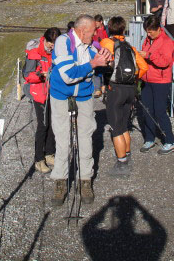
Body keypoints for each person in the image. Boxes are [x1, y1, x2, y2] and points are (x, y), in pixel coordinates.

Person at [49, 15, 112, 206]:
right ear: (82, 30)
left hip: (84, 96)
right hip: (61, 95)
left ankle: (85, 180)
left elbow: (102, 67)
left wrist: (106, 61)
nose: (96, 34)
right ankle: (60, 181)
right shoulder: (62, 42)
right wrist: (94, 63)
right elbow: (68, 75)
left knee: (85, 137)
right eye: (93, 31)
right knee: (62, 138)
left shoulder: (92, 45)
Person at [100, 17, 148, 176]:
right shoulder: (130, 46)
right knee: (125, 125)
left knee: (116, 128)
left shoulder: (106, 43)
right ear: (123, 29)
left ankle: (122, 165)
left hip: (116, 88)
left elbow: (102, 63)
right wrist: (133, 78)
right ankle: (127, 156)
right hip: (130, 89)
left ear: (109, 28)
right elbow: (144, 67)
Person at [138, 15, 174, 155]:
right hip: (146, 80)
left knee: (160, 111)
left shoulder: (166, 42)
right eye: (147, 31)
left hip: (161, 81)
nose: (148, 34)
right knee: (147, 110)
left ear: (158, 29)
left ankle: (171, 140)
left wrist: (149, 55)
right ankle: (150, 138)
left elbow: (165, 62)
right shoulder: (148, 40)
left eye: (150, 31)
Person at [23, 27, 61, 173]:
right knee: (43, 125)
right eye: (50, 43)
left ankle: (49, 153)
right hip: (39, 92)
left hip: (53, 91)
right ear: (44, 39)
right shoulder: (34, 53)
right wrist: (41, 75)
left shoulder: (56, 52)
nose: (52, 46)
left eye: (54, 44)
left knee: (52, 124)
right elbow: (27, 75)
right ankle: (39, 159)